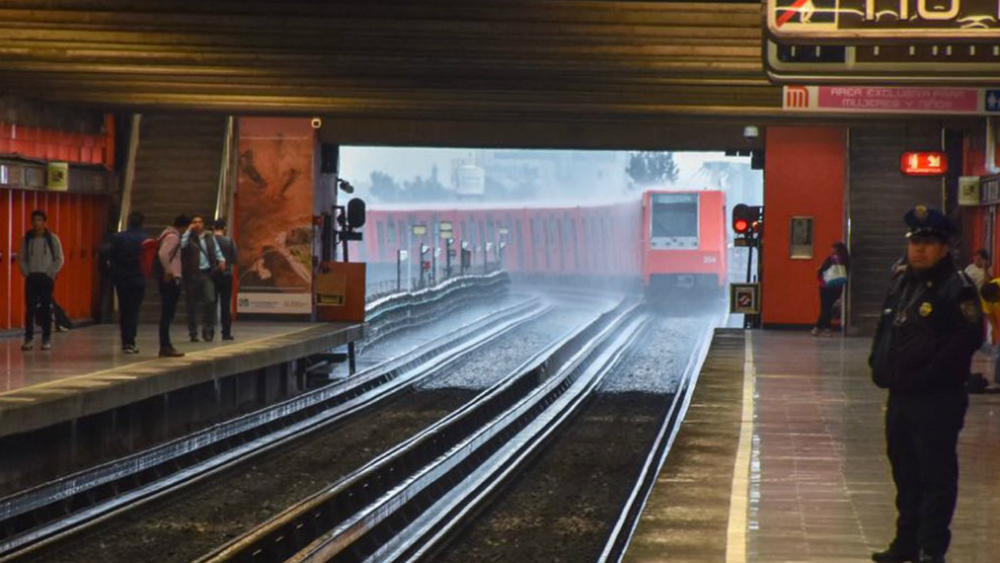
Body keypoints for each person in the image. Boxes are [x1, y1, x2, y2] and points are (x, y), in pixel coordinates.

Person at [869, 206, 983, 563]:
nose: (919, 249)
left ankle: (930, 548)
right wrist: (878, 365)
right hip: (901, 397)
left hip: (937, 399)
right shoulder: (903, 282)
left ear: (945, 248)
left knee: (935, 475)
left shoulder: (957, 288)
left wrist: (924, 376)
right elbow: (886, 330)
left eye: (929, 243)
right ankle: (905, 542)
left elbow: (966, 341)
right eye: (915, 242)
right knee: (904, 470)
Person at [17, 210, 65, 351]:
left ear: (45, 222)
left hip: (46, 278)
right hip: (32, 277)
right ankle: (29, 338)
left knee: (45, 307)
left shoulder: (52, 239)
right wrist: (27, 272)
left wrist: (51, 272)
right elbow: (21, 257)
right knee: (30, 308)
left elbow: (59, 258)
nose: (36, 223)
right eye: (34, 220)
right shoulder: (27, 239)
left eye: (39, 220)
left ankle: (46, 338)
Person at [181, 214, 226, 343]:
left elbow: (216, 250)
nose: (197, 224)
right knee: (191, 304)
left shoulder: (209, 237)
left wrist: (221, 260)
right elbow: (182, 246)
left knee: (210, 300)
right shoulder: (188, 238)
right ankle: (193, 332)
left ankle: (208, 329)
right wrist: (188, 231)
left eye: (200, 222)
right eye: (194, 222)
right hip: (192, 274)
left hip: (207, 273)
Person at [109, 211, 149, 353]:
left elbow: (108, 254)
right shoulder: (146, 240)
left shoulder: (118, 238)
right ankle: (130, 341)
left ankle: (125, 341)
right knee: (133, 311)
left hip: (121, 278)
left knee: (124, 310)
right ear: (143, 222)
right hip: (138, 278)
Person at [157, 215, 189, 358]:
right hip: (171, 278)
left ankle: (166, 344)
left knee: (167, 313)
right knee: (167, 313)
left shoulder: (166, 233)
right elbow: (163, 254)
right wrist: (169, 271)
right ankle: (165, 345)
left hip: (169, 277)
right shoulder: (173, 237)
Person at [812, 241, 850, 336]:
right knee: (828, 307)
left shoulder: (831, 259)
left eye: (833, 248)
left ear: (836, 249)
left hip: (826, 286)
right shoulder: (845, 260)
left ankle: (825, 328)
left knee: (825, 307)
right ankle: (819, 328)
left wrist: (819, 270)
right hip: (838, 286)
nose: (831, 250)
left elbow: (823, 270)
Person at [212, 218, 238, 341]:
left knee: (212, 303)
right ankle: (226, 332)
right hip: (226, 275)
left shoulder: (209, 241)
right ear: (224, 228)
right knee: (225, 304)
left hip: (212, 275)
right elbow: (235, 259)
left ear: (213, 228)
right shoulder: (229, 241)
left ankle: (209, 331)